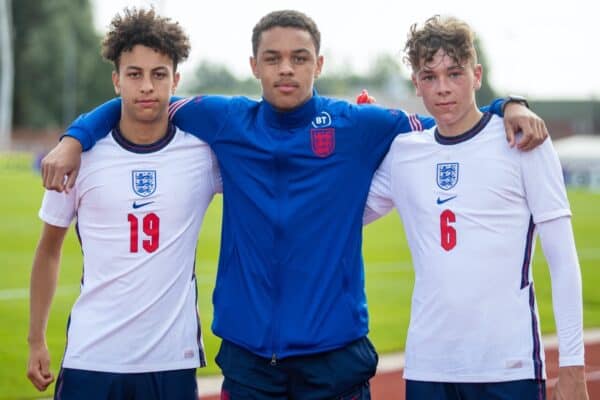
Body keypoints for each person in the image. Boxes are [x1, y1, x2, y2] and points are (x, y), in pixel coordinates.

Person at [40, 10, 548, 399]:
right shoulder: (222, 118)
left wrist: (509, 103)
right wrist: (76, 135)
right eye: (274, 58)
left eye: (299, 58)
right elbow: (139, 100)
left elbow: (455, 118)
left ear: (318, 65)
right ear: (254, 66)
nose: (286, 69)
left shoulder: (361, 124)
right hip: (248, 362)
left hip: (334, 360)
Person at [364, 15, 588, 400]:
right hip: (427, 366)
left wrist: (573, 367)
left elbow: (563, 260)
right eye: (429, 76)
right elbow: (343, 215)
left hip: (507, 364)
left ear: (477, 74)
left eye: (454, 73)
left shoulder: (522, 141)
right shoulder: (403, 153)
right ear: (416, 84)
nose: (443, 88)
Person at [27, 8, 221, 399]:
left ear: (176, 80)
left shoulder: (204, 154)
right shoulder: (79, 157)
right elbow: (49, 250)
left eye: (159, 74)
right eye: (134, 74)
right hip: (91, 357)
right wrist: (35, 340)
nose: (146, 86)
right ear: (116, 81)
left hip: (172, 360)